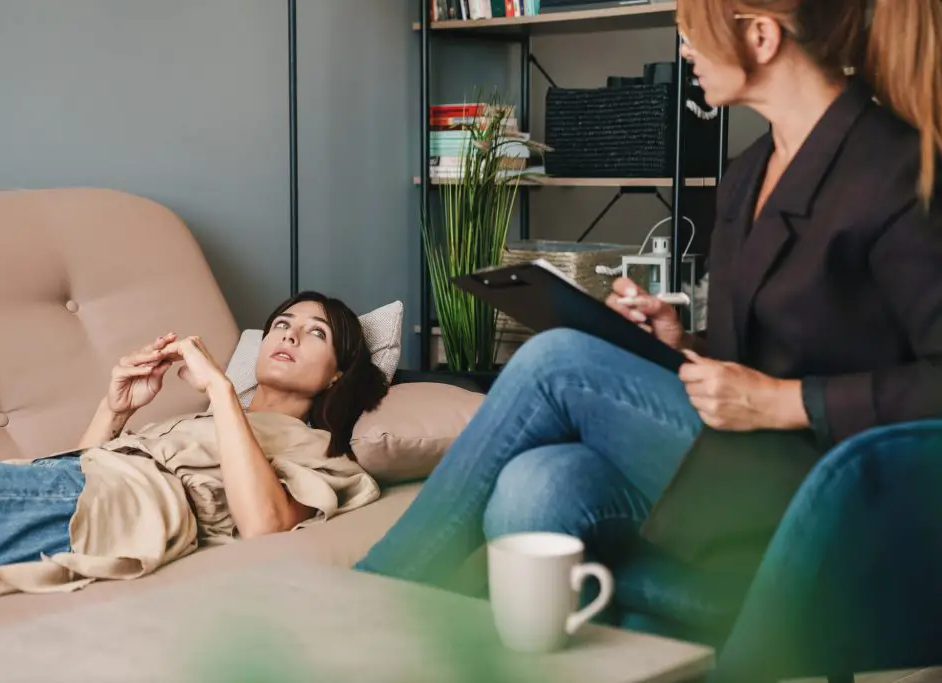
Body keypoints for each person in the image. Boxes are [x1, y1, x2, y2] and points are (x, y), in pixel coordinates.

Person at [355, 0, 942, 599]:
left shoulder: (895, 171)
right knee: (538, 483)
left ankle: (375, 595)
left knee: (555, 360)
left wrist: (784, 402)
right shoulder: (749, 172)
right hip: (743, 456)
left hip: (831, 481)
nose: (684, 50)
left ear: (762, 37)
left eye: (693, 33)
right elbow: (765, 348)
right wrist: (680, 343)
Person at [0, 291, 388, 603]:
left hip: (105, 506)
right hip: (70, 488)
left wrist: (222, 390)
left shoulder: (319, 451)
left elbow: (263, 525)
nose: (289, 334)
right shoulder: (206, 421)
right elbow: (80, 472)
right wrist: (115, 408)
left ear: (337, 374)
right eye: (282, 324)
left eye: (316, 332)